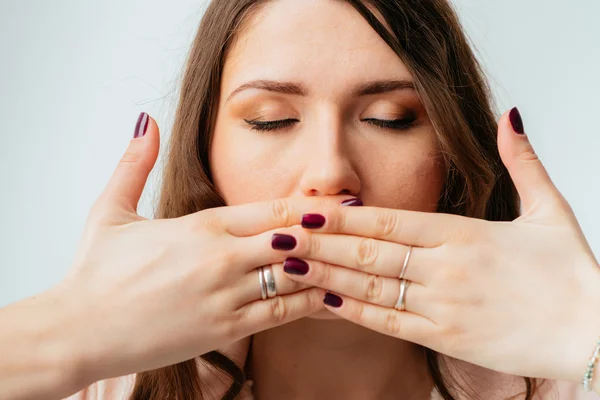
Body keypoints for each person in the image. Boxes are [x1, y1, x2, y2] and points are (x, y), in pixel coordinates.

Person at [1, 0, 598, 399]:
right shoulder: (97, 376)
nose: (330, 174)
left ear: (452, 144)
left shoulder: (568, 370)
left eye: (390, 119)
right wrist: (59, 334)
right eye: (270, 120)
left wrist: (592, 335)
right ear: (203, 149)